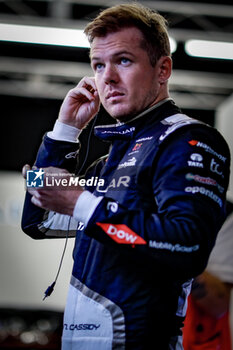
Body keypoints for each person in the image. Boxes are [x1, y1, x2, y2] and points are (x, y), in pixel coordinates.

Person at [21, 3, 231, 349]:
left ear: (163, 69)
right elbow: (37, 220)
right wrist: (63, 133)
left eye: (123, 61)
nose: (108, 78)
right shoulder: (108, 161)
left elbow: (189, 245)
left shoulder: (188, 139)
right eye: (98, 65)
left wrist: (81, 203)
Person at [183, 210, 233, 350]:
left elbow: (219, 306)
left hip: (196, 339)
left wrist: (177, 257)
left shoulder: (223, 213)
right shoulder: (131, 204)